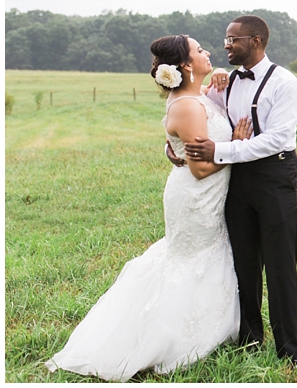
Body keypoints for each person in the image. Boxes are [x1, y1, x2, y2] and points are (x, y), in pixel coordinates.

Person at [46, 35, 252, 382]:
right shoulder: (187, 105)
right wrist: (236, 146)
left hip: (206, 193)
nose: (209, 53)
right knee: (191, 260)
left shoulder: (193, 96)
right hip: (196, 196)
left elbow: (189, 133)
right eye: (200, 51)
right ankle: (171, 338)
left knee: (200, 256)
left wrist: (219, 75)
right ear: (185, 65)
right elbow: (201, 168)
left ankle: (209, 327)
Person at [182, 15, 297, 367]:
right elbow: (202, 119)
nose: (226, 45)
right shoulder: (224, 83)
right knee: (243, 263)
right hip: (236, 180)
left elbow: (277, 139)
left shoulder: (285, 83)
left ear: (255, 41)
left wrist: (222, 152)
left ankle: (290, 351)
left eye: (233, 39)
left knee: (280, 264)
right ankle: (249, 340)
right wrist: (175, 147)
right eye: (225, 39)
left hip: (275, 175)